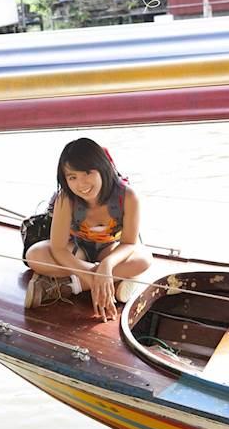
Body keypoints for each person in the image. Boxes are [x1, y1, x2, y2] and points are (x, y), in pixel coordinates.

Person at [24, 138, 152, 322]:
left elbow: (129, 243)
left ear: (102, 168)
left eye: (87, 173)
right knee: (34, 255)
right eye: (72, 177)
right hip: (77, 249)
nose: (81, 184)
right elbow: (58, 247)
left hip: (110, 248)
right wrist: (94, 277)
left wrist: (107, 265)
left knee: (144, 259)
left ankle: (67, 287)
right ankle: (115, 282)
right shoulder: (66, 199)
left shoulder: (128, 196)